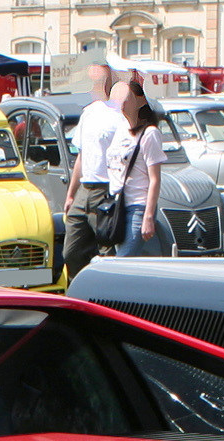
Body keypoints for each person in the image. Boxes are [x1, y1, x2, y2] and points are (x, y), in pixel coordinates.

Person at [60, 63, 118, 280]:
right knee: (71, 252)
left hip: (107, 191)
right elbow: (82, 157)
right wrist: (71, 194)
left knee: (106, 252)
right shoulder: (88, 114)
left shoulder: (119, 115)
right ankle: (79, 295)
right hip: (85, 188)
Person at [107, 78, 172, 257]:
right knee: (124, 260)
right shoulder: (121, 129)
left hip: (138, 207)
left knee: (122, 260)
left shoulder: (149, 134)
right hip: (118, 205)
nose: (121, 103)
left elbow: (155, 179)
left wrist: (149, 216)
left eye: (127, 98)